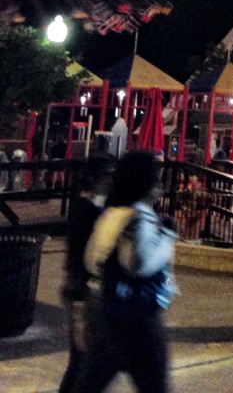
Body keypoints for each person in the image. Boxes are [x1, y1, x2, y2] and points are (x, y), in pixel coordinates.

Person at [76, 150, 178, 393]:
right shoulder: (140, 217)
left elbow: (91, 260)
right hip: (138, 315)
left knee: (91, 383)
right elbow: (140, 264)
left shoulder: (110, 214)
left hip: (105, 309)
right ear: (146, 182)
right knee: (155, 384)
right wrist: (167, 236)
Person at [59, 156, 115, 393]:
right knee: (83, 361)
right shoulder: (88, 211)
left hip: (82, 292)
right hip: (81, 294)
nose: (111, 182)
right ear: (95, 180)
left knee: (85, 361)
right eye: (108, 177)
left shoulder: (91, 208)